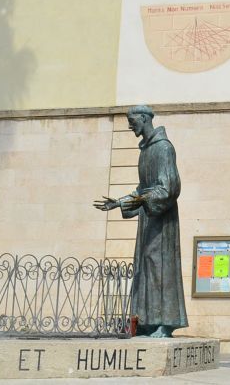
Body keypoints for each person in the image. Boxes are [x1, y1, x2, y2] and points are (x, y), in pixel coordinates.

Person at [93, 106, 187, 337]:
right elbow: (141, 189)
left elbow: (169, 188)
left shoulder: (163, 148)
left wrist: (142, 199)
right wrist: (119, 203)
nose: (129, 125)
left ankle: (165, 322)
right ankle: (146, 321)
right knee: (145, 267)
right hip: (148, 219)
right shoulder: (145, 151)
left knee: (159, 268)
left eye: (132, 120)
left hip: (161, 220)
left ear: (144, 119)